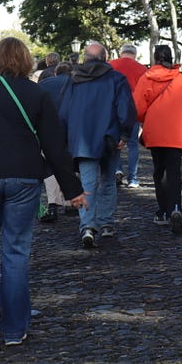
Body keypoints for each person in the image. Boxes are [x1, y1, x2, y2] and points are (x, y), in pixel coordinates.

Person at [0, 37, 85, 347]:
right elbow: (54, 145)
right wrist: (72, 189)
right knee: (16, 251)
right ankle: (13, 330)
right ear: (25, 61)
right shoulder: (35, 94)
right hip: (23, 177)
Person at [59, 41, 134, 249]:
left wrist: (65, 139)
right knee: (108, 181)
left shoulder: (74, 80)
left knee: (87, 185)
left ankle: (88, 226)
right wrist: (125, 133)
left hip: (83, 140)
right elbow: (125, 107)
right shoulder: (116, 79)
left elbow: (64, 112)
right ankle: (106, 223)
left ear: (85, 58)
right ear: (104, 57)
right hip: (109, 138)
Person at [133, 43, 182, 233]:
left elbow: (137, 107)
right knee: (174, 172)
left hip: (155, 131)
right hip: (177, 131)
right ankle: (176, 207)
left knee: (159, 171)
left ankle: (163, 211)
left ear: (155, 58)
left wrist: (147, 119)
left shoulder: (146, 78)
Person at [37, 60, 74, 223]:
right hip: (72, 129)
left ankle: (53, 203)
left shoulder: (43, 84)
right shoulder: (77, 83)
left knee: (50, 167)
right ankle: (70, 201)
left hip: (48, 129)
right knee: (70, 164)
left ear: (56, 72)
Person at [109, 43, 148, 187]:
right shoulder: (142, 69)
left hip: (113, 109)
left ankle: (117, 169)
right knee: (133, 145)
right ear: (135, 54)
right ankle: (133, 178)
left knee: (114, 143)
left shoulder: (110, 65)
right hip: (133, 110)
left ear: (121, 53)